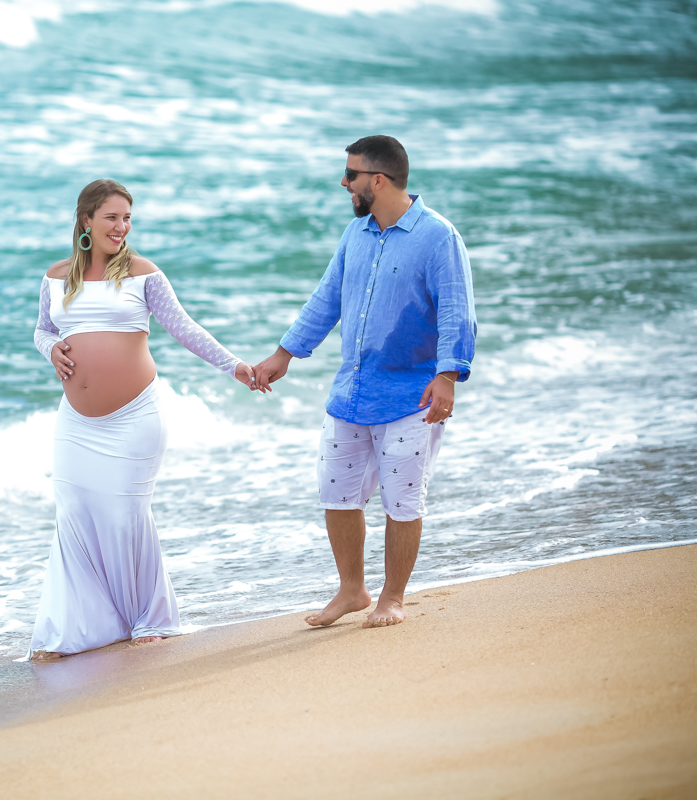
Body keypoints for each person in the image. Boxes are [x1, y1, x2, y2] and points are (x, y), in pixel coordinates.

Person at [253, 135, 476, 628]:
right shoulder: (355, 235)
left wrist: (448, 377)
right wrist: (284, 353)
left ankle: (392, 598)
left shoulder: (439, 237)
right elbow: (326, 299)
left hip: (410, 395)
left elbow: (457, 311)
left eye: (350, 175)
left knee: (403, 501)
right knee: (337, 495)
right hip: (350, 393)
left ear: (377, 180)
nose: (343, 182)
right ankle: (352, 590)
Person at [29, 179, 256, 659]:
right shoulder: (55, 277)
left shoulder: (142, 273)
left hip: (136, 416)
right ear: (86, 219)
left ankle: (150, 618)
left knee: (124, 515)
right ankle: (89, 626)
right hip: (76, 422)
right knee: (75, 515)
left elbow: (183, 327)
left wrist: (233, 365)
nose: (121, 226)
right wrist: (52, 350)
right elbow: (42, 329)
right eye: (112, 217)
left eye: (127, 218)